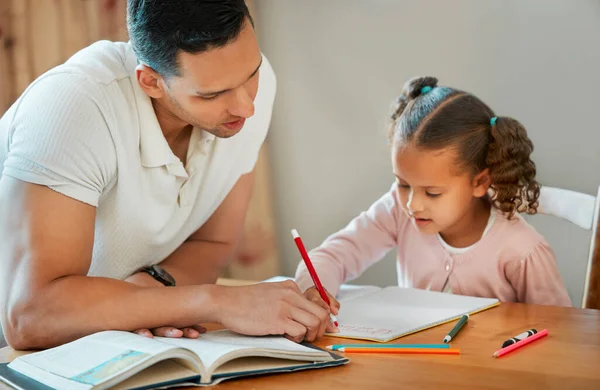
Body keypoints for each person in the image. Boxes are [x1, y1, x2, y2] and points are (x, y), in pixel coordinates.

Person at [0, 0, 330, 350]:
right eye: (212, 94)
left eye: (252, 73)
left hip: (101, 346)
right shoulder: (74, 107)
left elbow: (211, 243)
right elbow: (29, 317)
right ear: (151, 82)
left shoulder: (247, 97)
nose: (246, 107)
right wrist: (215, 302)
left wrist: (150, 298)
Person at [297, 76, 571, 320]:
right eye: (403, 183)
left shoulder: (522, 250)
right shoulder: (396, 210)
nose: (412, 204)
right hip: (421, 367)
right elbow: (336, 254)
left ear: (480, 182)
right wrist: (313, 288)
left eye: (432, 192)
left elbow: (558, 329)